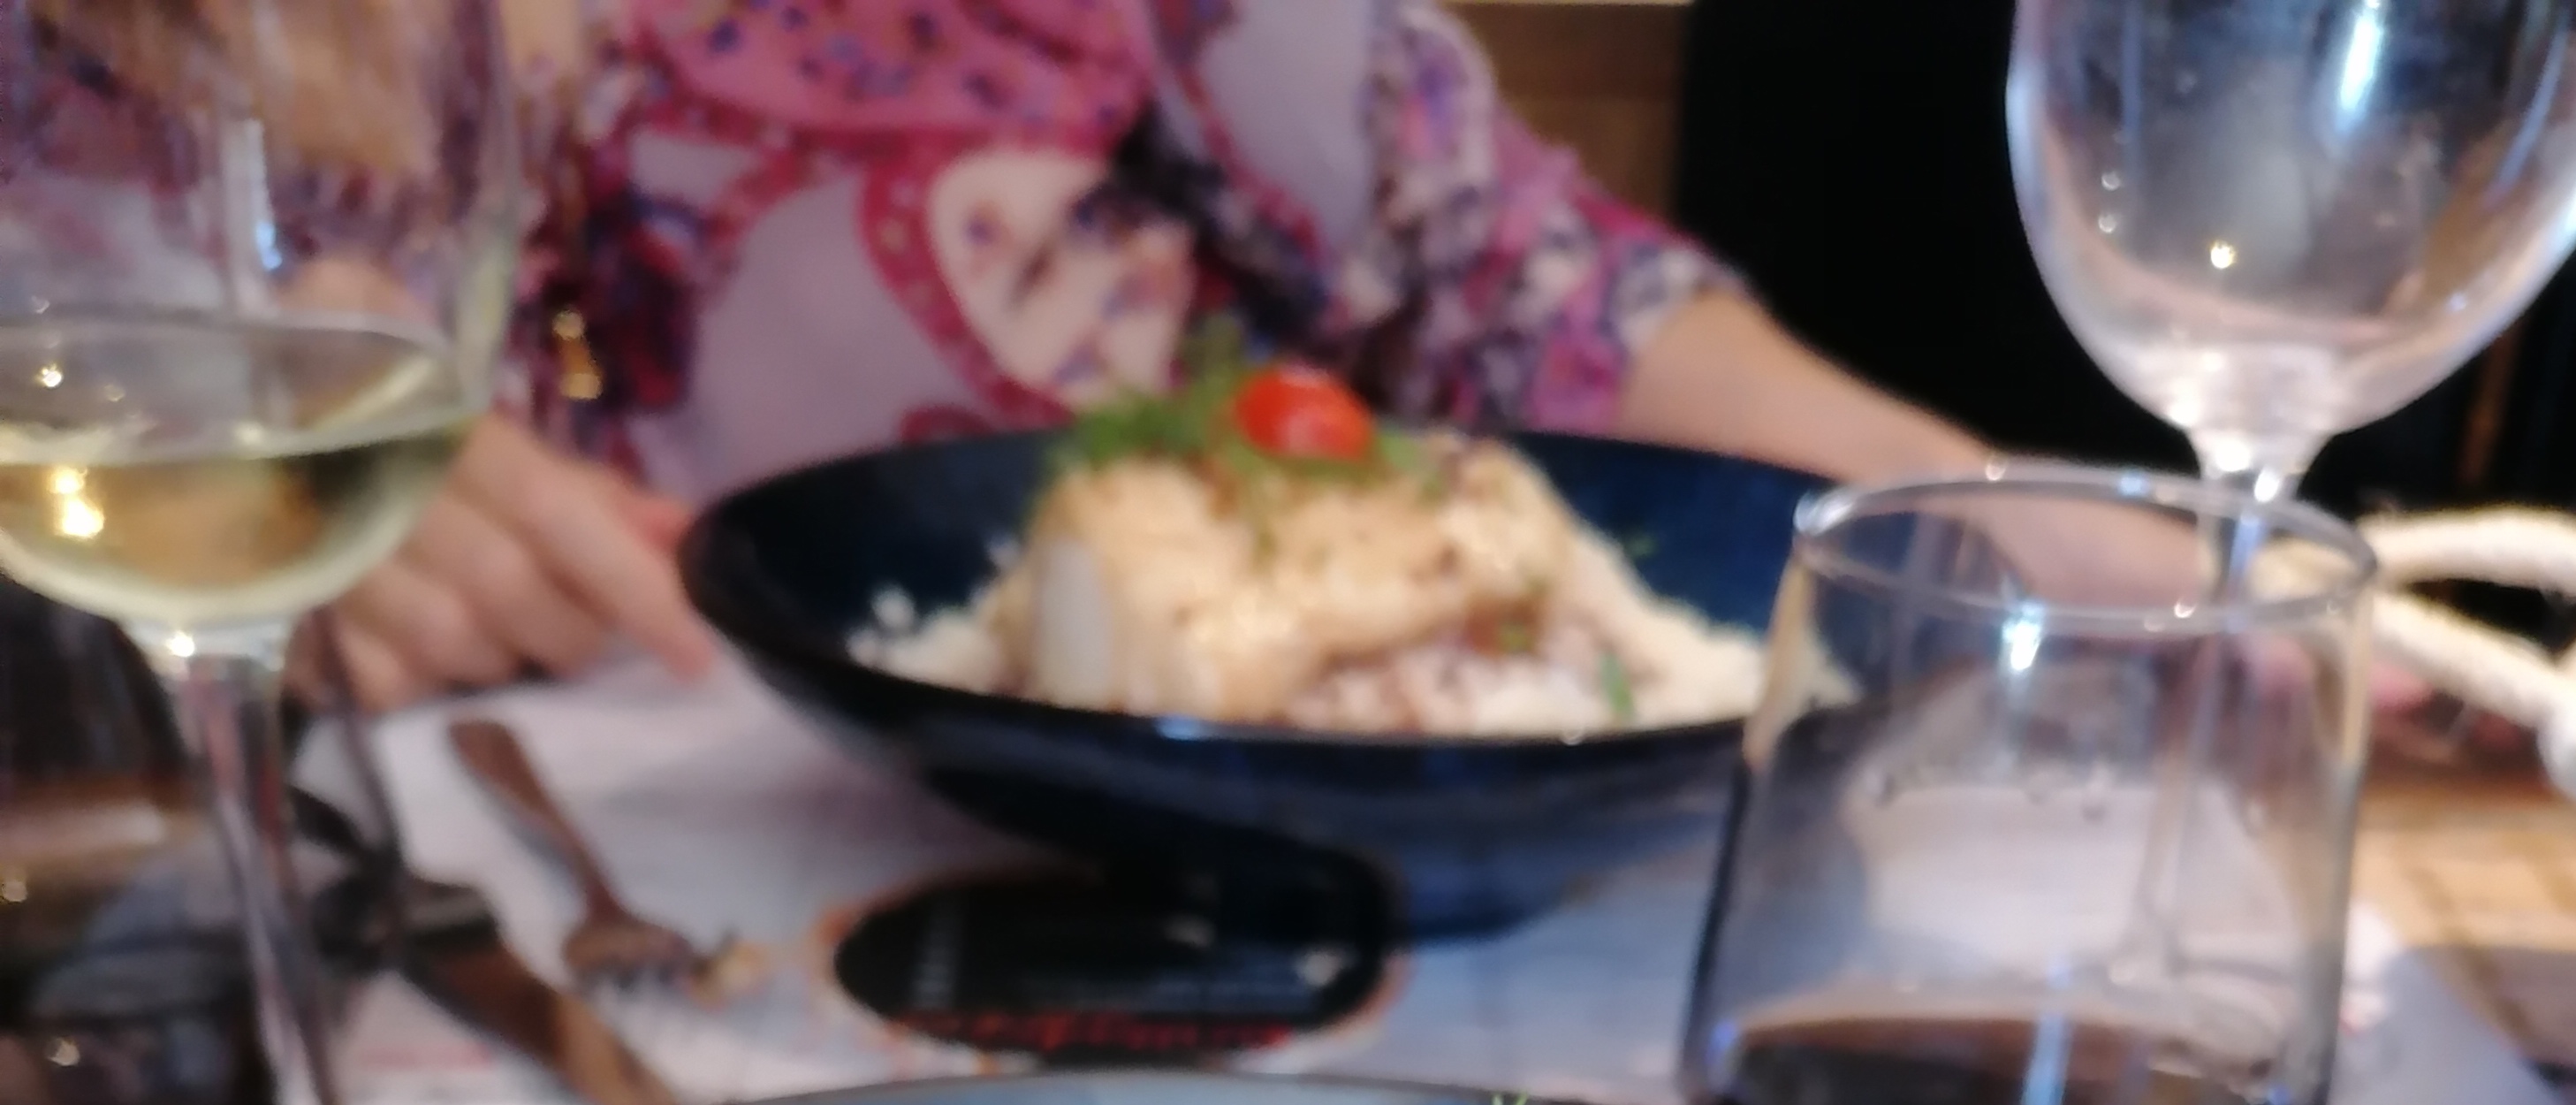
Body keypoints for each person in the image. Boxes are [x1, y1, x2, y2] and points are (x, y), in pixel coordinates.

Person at [332, 0, 1977, 709]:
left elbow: (1507, 275)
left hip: (1147, 911)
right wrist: (270, 535)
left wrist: (2001, 524)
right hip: (344, 972)